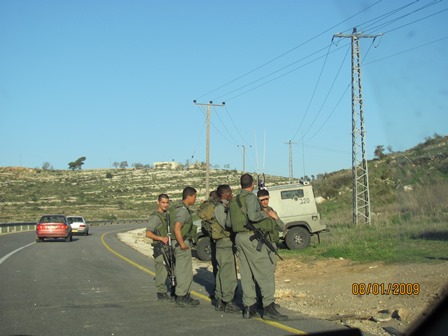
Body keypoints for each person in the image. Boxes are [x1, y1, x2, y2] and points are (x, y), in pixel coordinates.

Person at [228, 173, 288, 321]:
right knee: (265, 271)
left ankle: (249, 307)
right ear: (252, 184)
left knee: (246, 273)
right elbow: (254, 217)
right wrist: (266, 215)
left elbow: (229, 223)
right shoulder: (250, 198)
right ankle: (268, 307)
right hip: (250, 238)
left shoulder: (234, 200)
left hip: (238, 238)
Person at [170, 186, 200, 307]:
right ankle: (181, 296)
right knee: (184, 271)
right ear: (189, 196)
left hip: (178, 242)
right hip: (181, 242)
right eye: (194, 196)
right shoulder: (183, 210)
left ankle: (184, 294)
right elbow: (177, 227)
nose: (195, 199)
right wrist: (182, 244)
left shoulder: (178, 208)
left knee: (183, 270)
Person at [213, 184, 239, 313]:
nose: (231, 195)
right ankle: (228, 300)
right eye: (229, 192)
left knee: (222, 272)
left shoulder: (222, 207)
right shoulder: (220, 208)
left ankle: (220, 299)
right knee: (227, 273)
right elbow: (226, 224)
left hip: (224, 244)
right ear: (223, 194)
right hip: (224, 243)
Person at [145, 193, 173, 302]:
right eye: (163, 202)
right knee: (161, 271)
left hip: (167, 248)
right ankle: (161, 292)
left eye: (167, 202)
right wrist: (161, 238)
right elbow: (148, 233)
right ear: (158, 202)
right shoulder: (155, 217)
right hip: (160, 248)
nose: (165, 205)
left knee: (168, 270)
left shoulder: (167, 215)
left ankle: (167, 290)